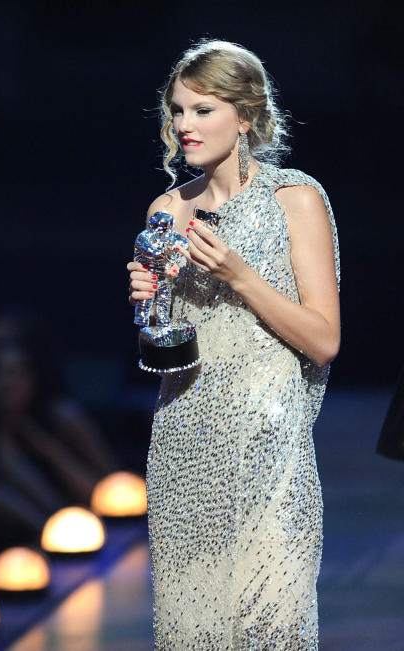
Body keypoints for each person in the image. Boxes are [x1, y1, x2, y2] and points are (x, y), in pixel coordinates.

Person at [126, 40, 340, 648]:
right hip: (185, 445)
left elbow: (324, 341)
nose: (184, 125)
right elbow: (161, 348)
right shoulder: (167, 209)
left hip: (270, 453)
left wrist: (240, 276)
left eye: (203, 110)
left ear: (245, 116)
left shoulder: (294, 200)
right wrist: (147, 304)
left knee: (271, 626)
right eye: (177, 110)